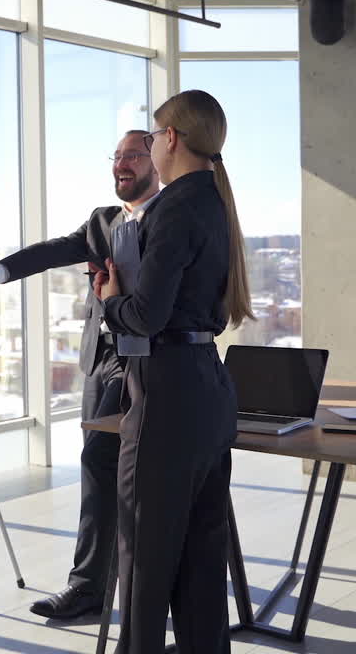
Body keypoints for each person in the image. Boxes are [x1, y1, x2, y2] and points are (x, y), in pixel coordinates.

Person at [0, 130, 160, 619]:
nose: (121, 164)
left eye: (133, 155)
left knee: (114, 468)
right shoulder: (103, 221)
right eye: (117, 156)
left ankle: (106, 586)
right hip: (103, 358)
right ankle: (92, 587)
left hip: (149, 358)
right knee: (98, 466)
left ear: (158, 161)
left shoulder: (171, 218)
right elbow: (50, 251)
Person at [93, 90, 254, 654]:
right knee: (200, 564)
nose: (155, 142)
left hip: (165, 396)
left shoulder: (174, 208)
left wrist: (111, 300)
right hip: (208, 390)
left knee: (145, 561)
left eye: (156, 134)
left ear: (173, 140)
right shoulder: (213, 201)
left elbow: (144, 314)